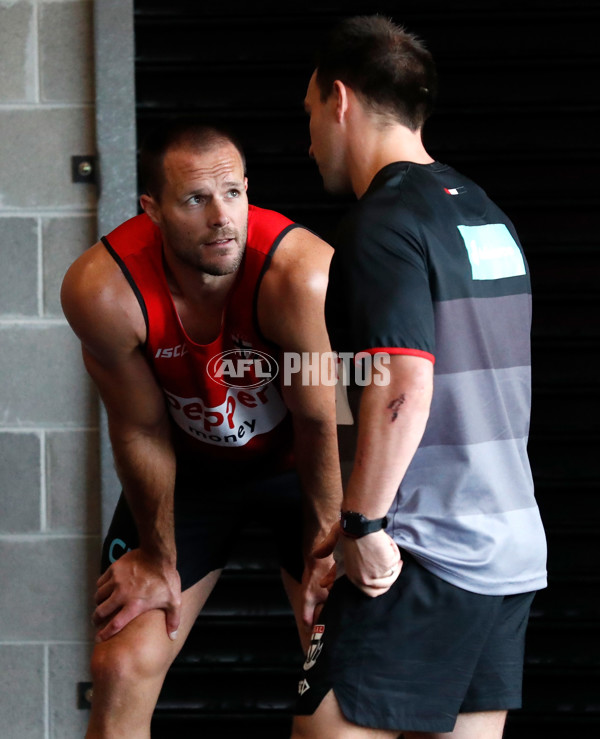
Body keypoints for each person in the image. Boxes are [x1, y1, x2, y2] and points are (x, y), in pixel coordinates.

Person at [294, 15, 547, 739]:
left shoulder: (383, 224)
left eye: (309, 113)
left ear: (339, 101)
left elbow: (404, 383)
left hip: (422, 554)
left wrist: (364, 524)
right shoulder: (486, 216)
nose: (308, 139)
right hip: (508, 555)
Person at [61, 121, 341, 738]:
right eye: (195, 200)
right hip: (189, 478)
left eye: (233, 194)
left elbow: (322, 420)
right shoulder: (105, 291)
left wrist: (327, 548)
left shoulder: (300, 275)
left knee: (338, 681)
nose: (222, 218)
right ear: (152, 210)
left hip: (301, 472)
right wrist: (159, 556)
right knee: (119, 664)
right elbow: (138, 429)